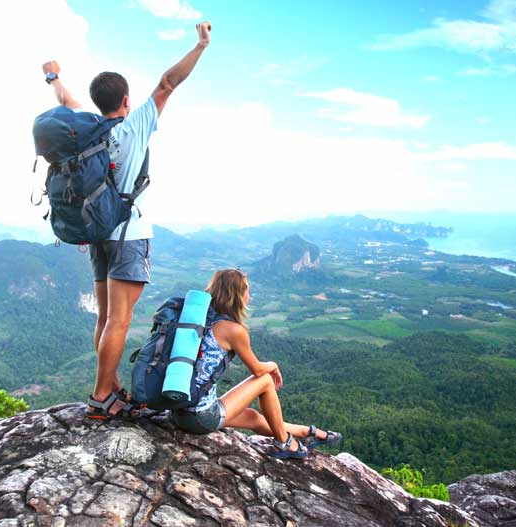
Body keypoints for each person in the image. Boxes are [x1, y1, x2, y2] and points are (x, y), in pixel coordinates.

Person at [42, 22, 213, 420]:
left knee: (105, 318)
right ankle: (102, 396)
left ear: (97, 101)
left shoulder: (89, 131)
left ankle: (111, 383)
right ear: (125, 99)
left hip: (98, 233)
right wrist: (201, 45)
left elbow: (66, 101)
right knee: (119, 319)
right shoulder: (133, 125)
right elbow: (169, 82)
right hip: (128, 235)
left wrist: (53, 77)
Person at [170, 269, 342, 459]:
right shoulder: (233, 330)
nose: (249, 295)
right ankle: (285, 443)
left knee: (253, 417)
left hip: (178, 411)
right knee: (266, 380)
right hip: (200, 417)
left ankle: (307, 432)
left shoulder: (197, 320)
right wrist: (273, 365)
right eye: (247, 290)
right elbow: (258, 370)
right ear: (237, 295)